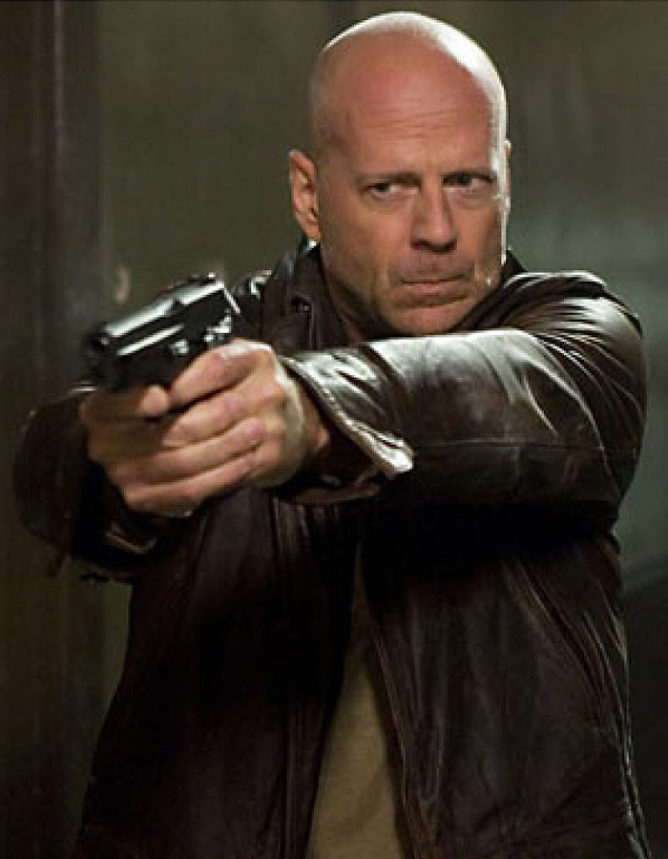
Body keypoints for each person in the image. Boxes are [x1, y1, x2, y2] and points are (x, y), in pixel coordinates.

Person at [14, 11, 651, 859]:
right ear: (309, 197)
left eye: (467, 181)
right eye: (389, 188)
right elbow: (52, 460)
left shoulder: (580, 337)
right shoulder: (236, 346)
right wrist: (114, 460)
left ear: (507, 176)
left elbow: (496, 391)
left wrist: (310, 413)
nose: (437, 229)